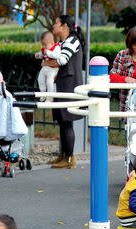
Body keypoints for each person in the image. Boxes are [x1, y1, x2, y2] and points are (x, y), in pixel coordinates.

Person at [42, 15, 86, 169]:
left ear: (65, 26)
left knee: (67, 122)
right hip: (62, 84)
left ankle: (70, 159)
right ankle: (64, 155)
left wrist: (46, 62)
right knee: (62, 122)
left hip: (69, 85)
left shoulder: (72, 41)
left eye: (56, 24)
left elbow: (62, 60)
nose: (53, 27)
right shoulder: (63, 42)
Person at [34, 31, 61, 98]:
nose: (44, 47)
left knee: (49, 82)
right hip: (45, 67)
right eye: (42, 44)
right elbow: (42, 55)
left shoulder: (56, 47)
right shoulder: (44, 49)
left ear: (52, 43)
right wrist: (38, 55)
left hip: (53, 69)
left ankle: (50, 96)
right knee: (40, 79)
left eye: (45, 44)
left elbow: (57, 56)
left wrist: (48, 52)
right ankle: (42, 93)